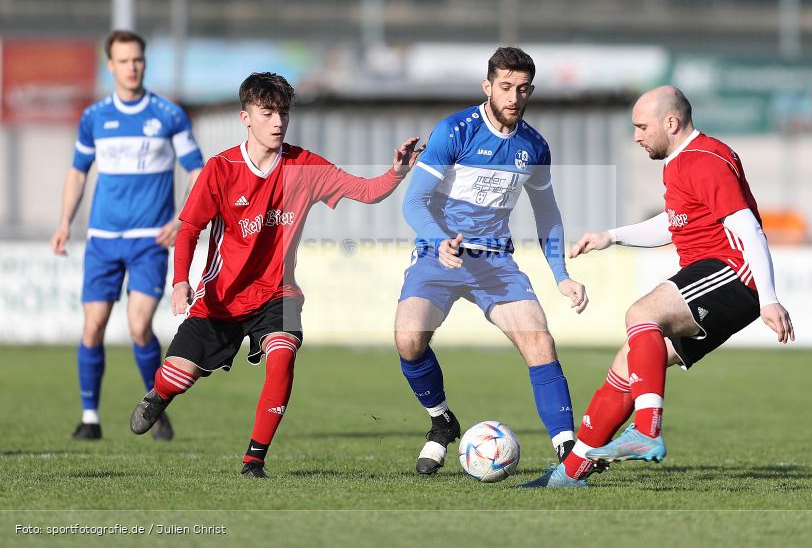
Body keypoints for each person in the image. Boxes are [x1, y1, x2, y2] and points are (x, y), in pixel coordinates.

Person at [129, 72, 421, 478]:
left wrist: (397, 172)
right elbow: (190, 229)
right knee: (178, 376)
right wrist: (180, 281)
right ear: (246, 117)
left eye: (283, 112)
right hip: (223, 296)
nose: (278, 122)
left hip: (277, 294)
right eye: (267, 113)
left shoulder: (304, 166)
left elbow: (366, 191)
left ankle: (254, 460)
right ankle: (160, 394)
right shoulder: (221, 169)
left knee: (283, 357)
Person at [522, 85, 795, 488]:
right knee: (627, 366)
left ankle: (647, 430)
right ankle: (570, 473)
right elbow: (673, 223)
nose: (636, 136)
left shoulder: (705, 160)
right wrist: (611, 236)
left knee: (641, 313)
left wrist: (769, 299)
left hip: (733, 273)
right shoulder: (681, 162)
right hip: (720, 278)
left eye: (641, 126)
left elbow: (747, 227)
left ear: (671, 122)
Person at [395, 47, 588, 475]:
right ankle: (442, 421)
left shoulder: (534, 146)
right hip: (438, 255)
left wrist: (562, 275)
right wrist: (439, 240)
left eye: (522, 89)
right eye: (505, 87)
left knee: (539, 341)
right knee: (409, 339)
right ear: (488, 87)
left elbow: (547, 213)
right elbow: (414, 202)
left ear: (531, 90)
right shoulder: (455, 131)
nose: (513, 97)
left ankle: (567, 448)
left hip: (495, 262)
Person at [51, 30, 204, 441]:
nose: (131, 67)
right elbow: (78, 172)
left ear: (144, 63)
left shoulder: (168, 114)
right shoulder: (94, 117)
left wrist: (183, 219)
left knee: (138, 326)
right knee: (93, 326)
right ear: (111, 66)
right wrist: (66, 221)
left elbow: (198, 172)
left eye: (137, 59)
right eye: (123, 61)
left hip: (149, 241)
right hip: (103, 238)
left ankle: (156, 403)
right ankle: (89, 418)